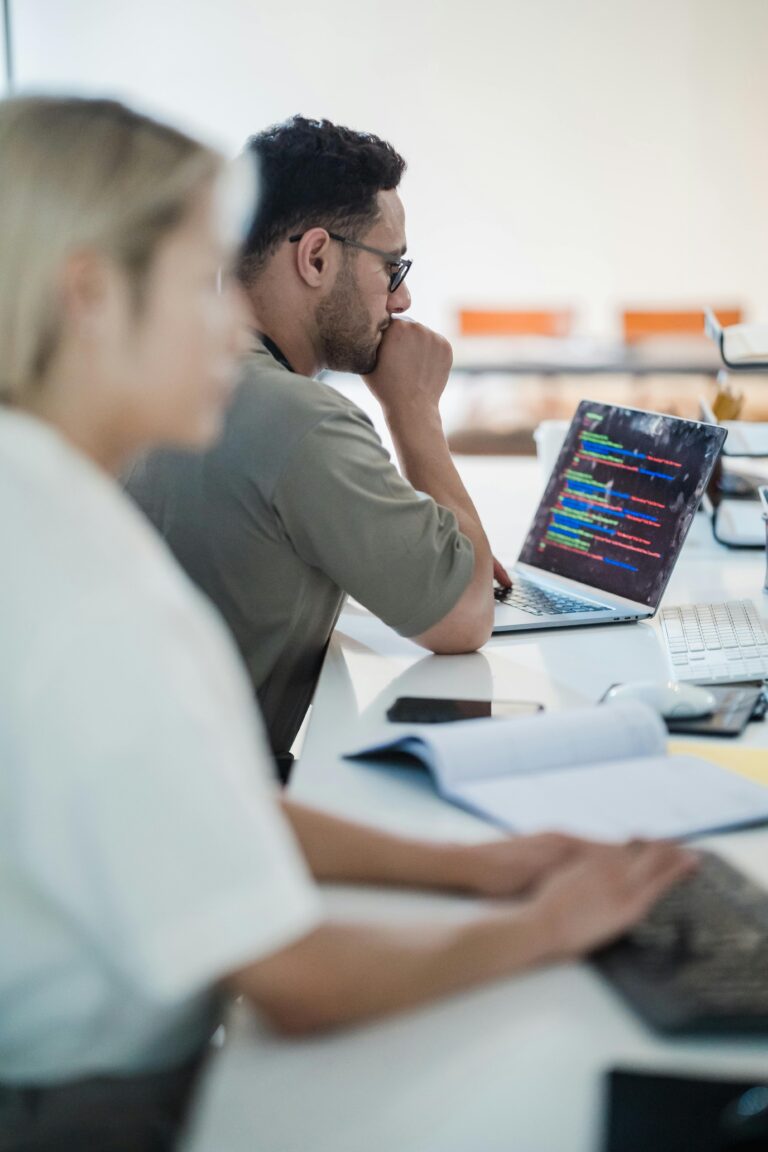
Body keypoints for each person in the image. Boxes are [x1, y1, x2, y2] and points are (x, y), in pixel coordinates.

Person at [0, 95, 694, 1151]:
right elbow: (302, 983)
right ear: (92, 298)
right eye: (199, 279)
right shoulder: (89, 599)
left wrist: (480, 868)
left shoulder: (51, 509)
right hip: (86, 1098)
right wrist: (545, 927)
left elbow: (208, 805)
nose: (224, 321)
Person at [124, 116, 512, 770]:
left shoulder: (160, 377)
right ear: (316, 257)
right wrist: (413, 410)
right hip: (207, 806)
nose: (404, 296)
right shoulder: (301, 419)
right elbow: (465, 613)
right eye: (393, 266)